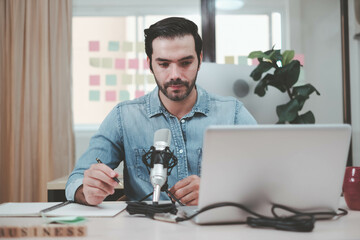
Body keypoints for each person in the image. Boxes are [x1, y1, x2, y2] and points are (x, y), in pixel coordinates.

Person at [65, 17, 256, 206]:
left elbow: (267, 178)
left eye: (185, 63)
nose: (175, 75)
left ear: (199, 59)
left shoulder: (233, 113)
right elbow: (76, 180)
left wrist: (216, 191)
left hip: (213, 230)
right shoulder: (123, 117)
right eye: (164, 64)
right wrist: (87, 190)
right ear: (150, 64)